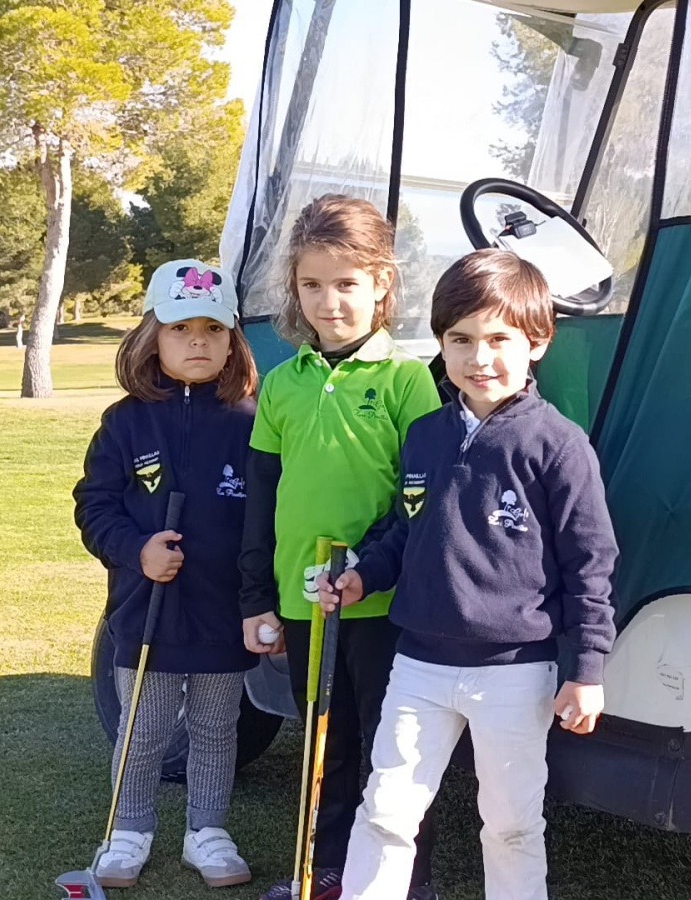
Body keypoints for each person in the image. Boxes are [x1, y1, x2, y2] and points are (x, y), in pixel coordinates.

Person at [318, 249, 619, 900]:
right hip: (418, 665)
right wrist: (363, 576)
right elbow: (405, 529)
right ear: (441, 343)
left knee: (510, 826)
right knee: (386, 812)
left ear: (538, 342)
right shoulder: (425, 434)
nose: (479, 358)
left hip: (516, 671)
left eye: (499, 339)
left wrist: (587, 670)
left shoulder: (559, 446)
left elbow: (590, 564)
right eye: (460, 340)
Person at [237, 195, 442, 900]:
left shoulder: (407, 380)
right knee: (325, 745)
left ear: (381, 282)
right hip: (304, 604)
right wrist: (257, 598)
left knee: (393, 750)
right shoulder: (282, 384)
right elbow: (261, 501)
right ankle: (326, 869)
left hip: (384, 605)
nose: (329, 302)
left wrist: (369, 566)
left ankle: (405, 880)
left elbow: (421, 499)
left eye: (347, 283)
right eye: (312, 284)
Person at [74, 259, 260, 889]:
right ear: (153, 336)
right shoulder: (125, 422)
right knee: (144, 729)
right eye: (181, 328)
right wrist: (137, 550)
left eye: (213, 328)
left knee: (215, 728)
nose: (197, 341)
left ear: (233, 340)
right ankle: (128, 831)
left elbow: (266, 518)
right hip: (144, 611)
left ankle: (207, 831)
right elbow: (95, 507)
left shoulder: (251, 421)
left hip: (222, 611)